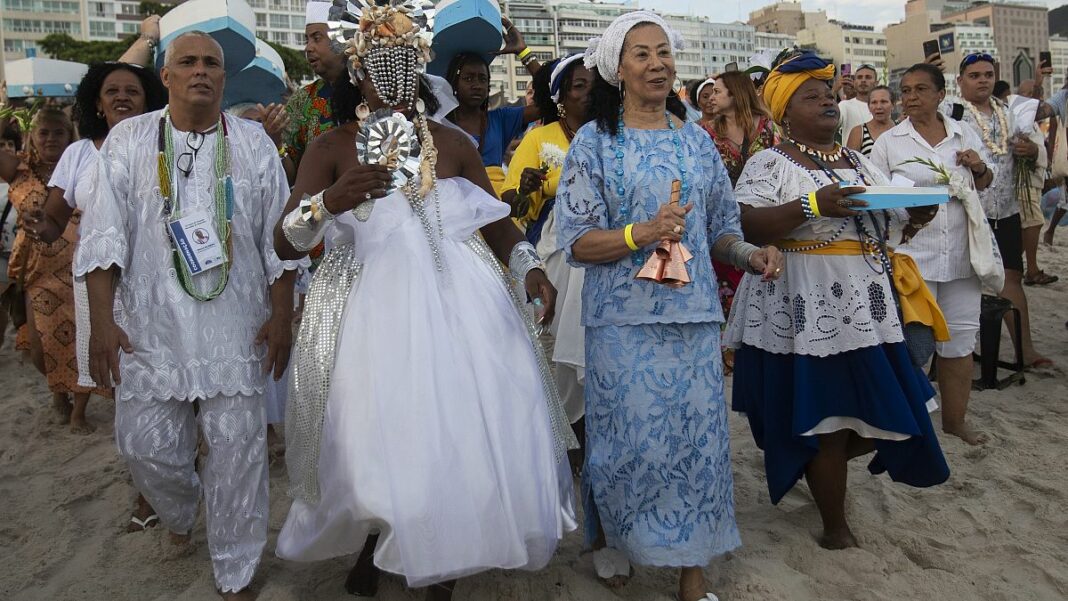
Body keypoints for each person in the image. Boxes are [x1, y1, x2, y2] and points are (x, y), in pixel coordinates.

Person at [273, 4, 575, 600]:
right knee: (374, 440)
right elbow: (284, 238)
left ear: (418, 67)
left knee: (456, 432)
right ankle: (380, 540)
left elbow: (496, 225)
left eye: (402, 61)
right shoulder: (332, 144)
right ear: (354, 72)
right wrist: (328, 202)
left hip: (464, 308)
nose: (389, 74)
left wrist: (530, 266)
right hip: (368, 314)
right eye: (375, 64)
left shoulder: (454, 142)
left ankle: (442, 566)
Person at [556, 12, 783, 601]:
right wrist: (642, 233)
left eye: (663, 53)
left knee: (697, 444)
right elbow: (577, 242)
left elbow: (720, 231)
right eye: (641, 54)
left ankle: (691, 576)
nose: (657, 63)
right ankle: (614, 539)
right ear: (618, 70)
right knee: (627, 443)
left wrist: (752, 254)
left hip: (693, 319)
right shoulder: (593, 143)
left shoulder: (695, 141)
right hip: (621, 322)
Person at [74, 32, 304, 600]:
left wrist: (282, 318)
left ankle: (237, 567)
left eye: (211, 64)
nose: (200, 71)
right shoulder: (128, 140)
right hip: (151, 328)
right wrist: (102, 325)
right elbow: (103, 238)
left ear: (223, 79)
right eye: (187, 62)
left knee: (240, 452)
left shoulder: (253, 144)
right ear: (167, 76)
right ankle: (181, 511)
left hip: (237, 325)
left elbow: (278, 241)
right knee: (144, 448)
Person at [726, 51, 950, 549]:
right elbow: (746, 223)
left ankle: (809, 458)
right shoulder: (771, 161)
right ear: (784, 113)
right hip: (803, 303)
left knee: (890, 405)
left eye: (829, 94)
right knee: (828, 415)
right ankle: (835, 526)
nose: (827, 100)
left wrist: (915, 214)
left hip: (866, 303)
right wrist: (811, 204)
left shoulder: (858, 160)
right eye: (812, 96)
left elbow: (884, 222)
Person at [23, 62, 166, 436]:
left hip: (158, 273)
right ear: (98, 103)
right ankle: (140, 456)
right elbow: (54, 223)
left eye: (132, 91)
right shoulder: (78, 154)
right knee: (122, 370)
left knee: (163, 363)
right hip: (101, 279)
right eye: (112, 91)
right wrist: (40, 225)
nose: (122, 96)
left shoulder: (166, 143)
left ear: (148, 100)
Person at [870, 63, 1002, 445]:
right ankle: (914, 427)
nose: (910, 97)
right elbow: (876, 201)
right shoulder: (890, 142)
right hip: (914, 259)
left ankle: (955, 421)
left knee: (960, 342)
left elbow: (988, 185)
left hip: (962, 257)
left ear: (941, 94)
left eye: (920, 90)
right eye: (906, 90)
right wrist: (906, 211)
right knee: (915, 345)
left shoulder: (964, 133)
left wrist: (977, 167)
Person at [501, 54, 593, 463]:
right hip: (553, 255)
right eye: (579, 87)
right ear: (559, 99)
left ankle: (592, 434)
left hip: (600, 256)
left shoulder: (612, 134)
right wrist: (525, 188)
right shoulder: (540, 139)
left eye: (594, 86)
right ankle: (560, 435)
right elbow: (511, 206)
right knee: (550, 344)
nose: (589, 94)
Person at [0, 104, 115, 433]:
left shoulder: (85, 163)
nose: (51, 139)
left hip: (81, 270)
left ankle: (80, 408)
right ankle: (59, 393)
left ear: (70, 135)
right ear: (31, 137)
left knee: (84, 340)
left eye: (59, 132)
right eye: (44, 132)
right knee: (41, 347)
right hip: (38, 273)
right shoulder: (20, 171)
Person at [945, 52, 1050, 369]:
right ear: (960, 80)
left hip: (1005, 210)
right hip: (964, 211)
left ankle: (1025, 350)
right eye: (974, 75)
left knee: (1012, 279)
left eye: (988, 74)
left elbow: (1034, 149)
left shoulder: (1011, 111)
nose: (982, 80)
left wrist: (1031, 150)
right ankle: (953, 353)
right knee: (956, 281)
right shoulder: (950, 111)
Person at [445, 17, 542, 195]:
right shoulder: (439, 124)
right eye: (468, 78)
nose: (477, 85)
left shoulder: (501, 119)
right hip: (455, 215)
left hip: (498, 212)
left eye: (483, 79)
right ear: (454, 83)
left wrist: (524, 52)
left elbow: (552, 100)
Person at [282, 0, 348, 182]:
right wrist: (275, 143)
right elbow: (290, 173)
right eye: (307, 40)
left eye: (316, 38)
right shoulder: (302, 100)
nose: (308, 48)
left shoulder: (371, 89)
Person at [1010, 79, 1057, 286]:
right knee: (1034, 222)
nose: (1035, 98)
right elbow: (1020, 148)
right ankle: (1031, 269)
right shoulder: (1018, 120)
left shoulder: (1032, 121)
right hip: (1024, 182)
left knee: (1026, 225)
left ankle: (1013, 266)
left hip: (1033, 180)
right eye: (1029, 94)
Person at [846, 84, 895, 156]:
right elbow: (851, 163)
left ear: (893, 105)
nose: (878, 107)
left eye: (883, 101)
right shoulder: (858, 132)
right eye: (874, 102)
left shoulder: (902, 129)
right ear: (868, 107)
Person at [838, 64, 877, 140]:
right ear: (854, 82)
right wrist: (834, 90)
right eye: (859, 77)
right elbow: (828, 121)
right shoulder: (845, 106)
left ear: (876, 82)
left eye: (868, 77)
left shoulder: (881, 107)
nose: (863, 80)